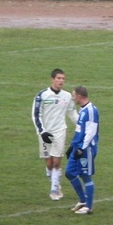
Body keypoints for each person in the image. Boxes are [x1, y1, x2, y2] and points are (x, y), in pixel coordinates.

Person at [32, 68, 78, 201]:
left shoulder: (67, 96)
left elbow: (72, 113)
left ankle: (55, 188)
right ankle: (52, 176)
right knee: (49, 163)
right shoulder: (42, 96)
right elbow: (36, 115)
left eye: (63, 79)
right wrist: (42, 131)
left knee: (57, 161)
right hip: (45, 132)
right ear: (52, 79)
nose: (61, 81)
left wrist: (82, 125)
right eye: (58, 78)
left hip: (60, 131)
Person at [66, 86, 99, 215]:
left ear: (79, 96)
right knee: (69, 172)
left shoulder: (91, 111)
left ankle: (89, 207)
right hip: (77, 146)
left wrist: (82, 148)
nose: (73, 98)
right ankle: (83, 200)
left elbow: (90, 132)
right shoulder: (83, 110)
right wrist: (72, 146)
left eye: (74, 95)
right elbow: (80, 130)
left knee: (86, 176)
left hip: (86, 149)